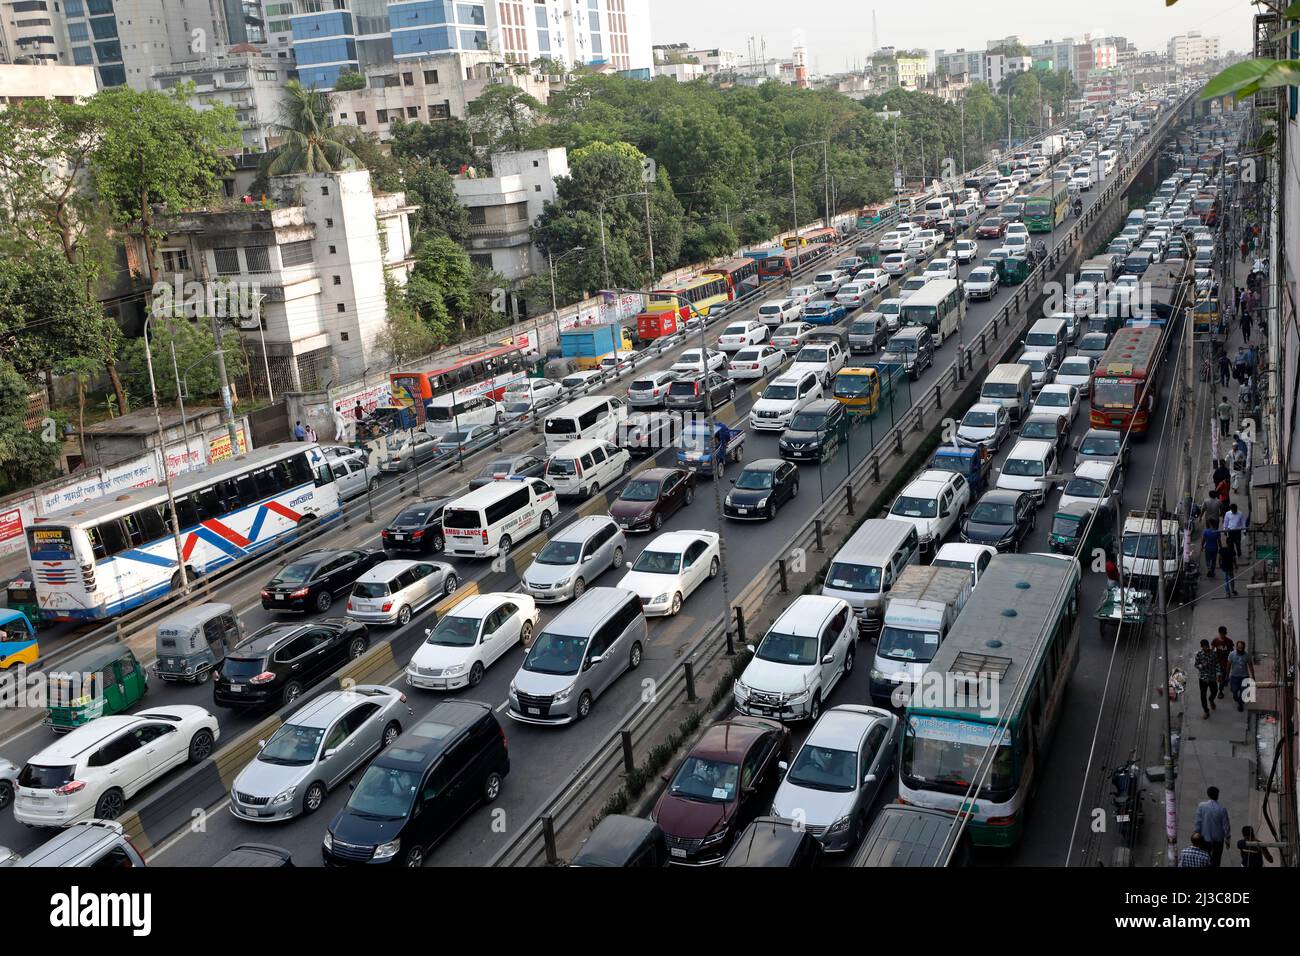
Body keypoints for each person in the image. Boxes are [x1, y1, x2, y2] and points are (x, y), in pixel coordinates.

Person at [1195, 787, 1232, 867]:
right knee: (1216, 859)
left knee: (1203, 858)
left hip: (1204, 838)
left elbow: (1198, 822)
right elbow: (1226, 826)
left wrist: (1197, 834)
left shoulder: (1201, 806)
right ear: (1217, 795)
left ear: (1208, 794)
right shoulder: (1222, 809)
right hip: (1218, 839)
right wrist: (1227, 839)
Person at [1195, 639, 1218, 719]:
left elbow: (1217, 663)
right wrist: (1202, 665)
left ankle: (1211, 700)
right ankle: (1206, 711)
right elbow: (1196, 665)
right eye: (1205, 646)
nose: (1207, 647)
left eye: (1208, 645)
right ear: (1202, 647)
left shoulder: (1213, 654)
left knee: (1215, 691)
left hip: (1212, 677)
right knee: (1203, 695)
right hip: (1203, 678)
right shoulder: (1199, 654)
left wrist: (1219, 673)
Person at [1228, 640, 1253, 712]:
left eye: (1241, 648)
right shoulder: (1232, 654)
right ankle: (1235, 696)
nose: (1240, 649)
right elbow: (1228, 665)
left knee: (1243, 691)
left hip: (1244, 676)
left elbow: (1250, 666)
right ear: (1236, 647)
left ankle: (1240, 704)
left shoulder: (1247, 656)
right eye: (1238, 647)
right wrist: (1227, 676)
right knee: (1234, 690)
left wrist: (1253, 676)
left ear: (1244, 648)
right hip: (1234, 676)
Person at [1211, 626, 1233, 699]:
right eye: (1221, 634)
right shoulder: (1215, 641)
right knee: (1220, 677)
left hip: (1226, 662)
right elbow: (1212, 650)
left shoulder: (1229, 641)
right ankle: (1220, 691)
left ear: (1225, 633)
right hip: (1218, 662)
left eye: (1223, 634)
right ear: (1219, 633)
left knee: (1224, 675)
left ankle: (1225, 681)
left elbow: (1232, 651)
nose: (1222, 635)